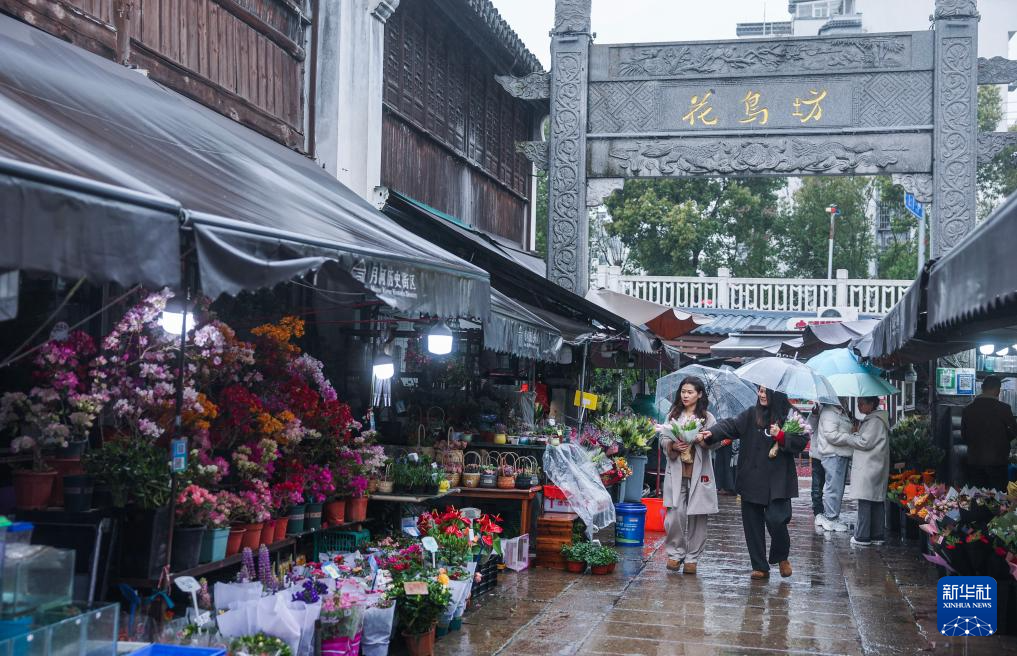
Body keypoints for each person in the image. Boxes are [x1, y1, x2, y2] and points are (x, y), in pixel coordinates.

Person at [701, 386, 808, 580]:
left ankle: (781, 556)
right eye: (760, 391)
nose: (761, 395)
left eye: (766, 391)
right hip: (752, 477)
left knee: (777, 520)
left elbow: (801, 441)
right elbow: (731, 425)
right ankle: (759, 566)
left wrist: (781, 436)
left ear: (776, 393)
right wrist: (712, 433)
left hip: (778, 481)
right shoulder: (752, 414)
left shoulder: (791, 415)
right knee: (752, 524)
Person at [657, 377, 720, 574]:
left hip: (700, 474)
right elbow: (662, 437)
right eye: (683, 391)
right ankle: (675, 554)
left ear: (699, 394)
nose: (685, 395)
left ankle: (692, 558)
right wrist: (673, 445)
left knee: (698, 516)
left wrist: (702, 439)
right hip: (677, 472)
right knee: (674, 515)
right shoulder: (673, 415)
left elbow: (716, 442)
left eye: (690, 392)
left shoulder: (708, 418)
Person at [826, 396, 889, 547]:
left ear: (871, 404)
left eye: (862, 404)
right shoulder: (876, 419)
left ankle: (862, 536)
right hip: (875, 464)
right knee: (875, 499)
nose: (859, 407)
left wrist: (850, 437)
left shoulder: (874, 421)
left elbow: (864, 442)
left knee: (865, 499)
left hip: (869, 466)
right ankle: (876, 534)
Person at [962, 376, 1017, 491]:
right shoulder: (1004, 409)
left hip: (975, 461)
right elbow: (1013, 432)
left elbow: (964, 436)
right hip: (998, 462)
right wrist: (1003, 439)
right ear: (997, 390)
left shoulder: (968, 409)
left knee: (976, 496)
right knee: (998, 497)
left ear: (982, 388)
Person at [816, 399, 855, 533]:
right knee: (833, 487)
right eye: (843, 398)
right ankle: (831, 518)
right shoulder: (829, 412)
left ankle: (833, 516)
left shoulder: (839, 412)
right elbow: (831, 435)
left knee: (837, 488)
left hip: (840, 454)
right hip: (833, 454)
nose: (845, 400)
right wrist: (849, 438)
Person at [807, 402, 826, 523]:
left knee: (833, 488)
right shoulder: (819, 407)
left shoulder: (841, 408)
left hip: (834, 453)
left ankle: (831, 512)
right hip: (818, 453)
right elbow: (809, 427)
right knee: (817, 486)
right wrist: (814, 414)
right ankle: (818, 512)